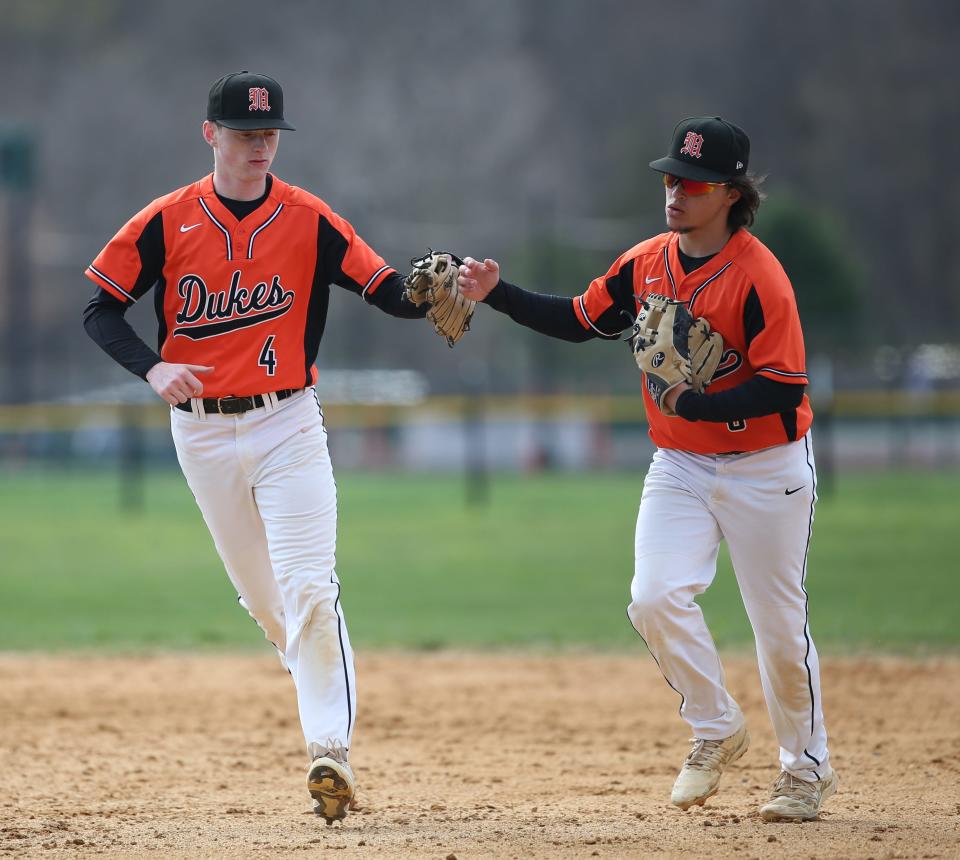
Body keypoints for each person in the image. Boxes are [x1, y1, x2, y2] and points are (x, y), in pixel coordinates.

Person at [458, 116, 837, 822]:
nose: (674, 191)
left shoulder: (760, 279)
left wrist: (699, 399)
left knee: (779, 628)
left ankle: (805, 770)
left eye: (690, 183)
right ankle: (716, 726)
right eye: (670, 178)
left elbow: (785, 386)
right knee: (653, 597)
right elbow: (579, 317)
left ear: (729, 192)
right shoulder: (647, 262)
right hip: (683, 464)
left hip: (767, 468)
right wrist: (498, 294)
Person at [82, 71, 433, 823]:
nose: (259, 147)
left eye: (269, 134)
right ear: (210, 134)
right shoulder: (166, 220)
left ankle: (328, 750)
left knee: (309, 586)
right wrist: (151, 365)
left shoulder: (309, 219)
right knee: (268, 603)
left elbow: (389, 291)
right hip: (202, 433)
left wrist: (439, 289)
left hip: (288, 424)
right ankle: (319, 690)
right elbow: (100, 309)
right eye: (244, 134)